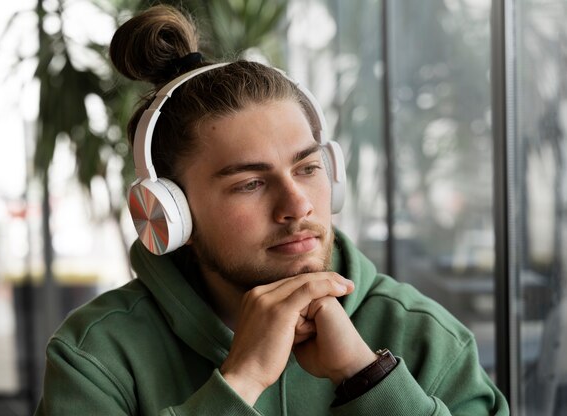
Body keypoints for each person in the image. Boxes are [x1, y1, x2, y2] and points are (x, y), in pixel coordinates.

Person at [35, 4, 509, 415]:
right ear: (170, 215)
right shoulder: (95, 355)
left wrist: (368, 379)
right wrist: (240, 381)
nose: (297, 205)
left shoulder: (424, 336)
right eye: (251, 183)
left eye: (307, 168)